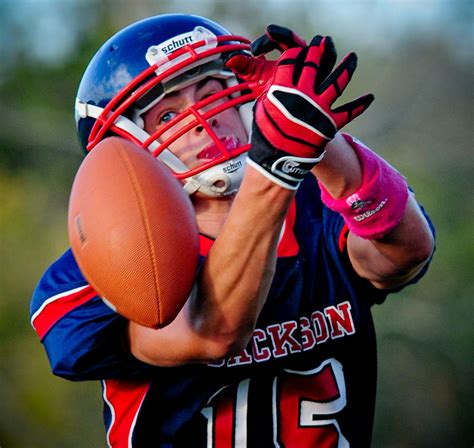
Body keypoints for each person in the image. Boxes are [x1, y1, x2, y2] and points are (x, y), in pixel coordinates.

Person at [30, 13, 435, 447]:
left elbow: (406, 251)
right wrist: (277, 166)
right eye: (168, 114)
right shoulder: (107, 263)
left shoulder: (318, 214)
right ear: (126, 150)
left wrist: (311, 127)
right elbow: (214, 332)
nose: (205, 117)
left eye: (212, 93)